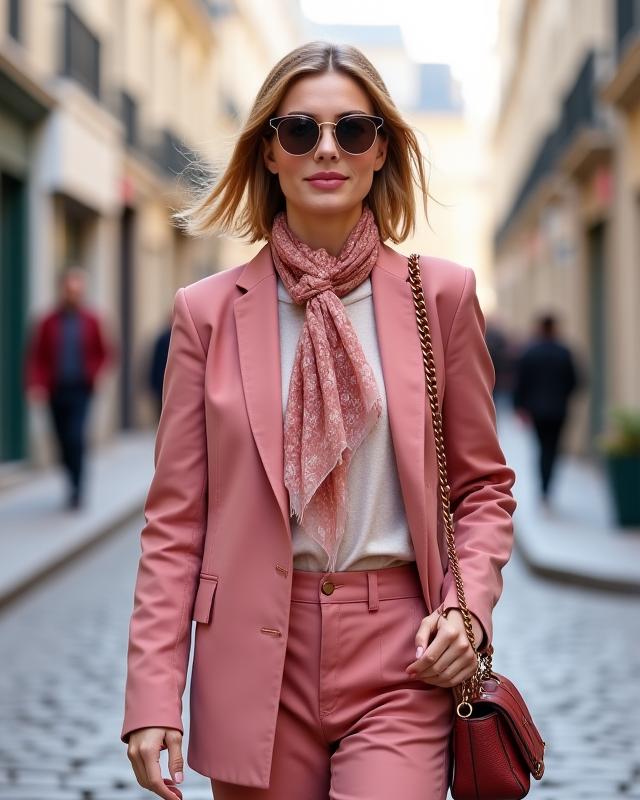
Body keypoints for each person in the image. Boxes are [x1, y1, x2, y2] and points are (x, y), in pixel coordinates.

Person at [121, 42, 517, 800]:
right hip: (251, 654)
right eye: (299, 130)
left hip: (402, 651)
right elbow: (175, 520)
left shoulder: (441, 299)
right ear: (269, 152)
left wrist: (468, 610)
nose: (326, 149)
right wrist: (151, 693)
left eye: (353, 130)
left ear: (380, 152)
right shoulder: (207, 314)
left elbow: (485, 489)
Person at [24, 266, 114, 509]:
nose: (73, 294)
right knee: (62, 440)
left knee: (76, 437)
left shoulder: (92, 321)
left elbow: (105, 353)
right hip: (56, 390)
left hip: (81, 390)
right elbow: (36, 357)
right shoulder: (47, 322)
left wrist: (95, 374)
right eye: (69, 289)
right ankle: (69, 475)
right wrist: (36, 384)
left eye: (78, 290)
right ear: (62, 290)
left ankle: (77, 489)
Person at [513, 312, 581, 506]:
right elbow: (575, 381)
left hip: (536, 411)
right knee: (553, 449)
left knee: (542, 448)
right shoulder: (564, 352)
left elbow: (520, 383)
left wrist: (519, 407)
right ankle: (548, 488)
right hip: (559, 409)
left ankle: (543, 488)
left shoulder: (529, 352)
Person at [148, 319, 172, 420]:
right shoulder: (163, 339)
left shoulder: (164, 338)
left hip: (166, 384)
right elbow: (155, 363)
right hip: (161, 385)